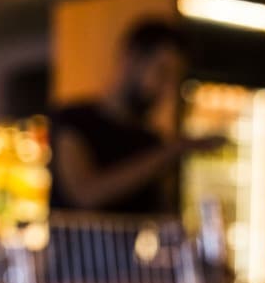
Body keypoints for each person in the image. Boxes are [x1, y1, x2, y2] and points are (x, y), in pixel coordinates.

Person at [50, 20, 222, 214]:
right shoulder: (73, 120)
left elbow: (160, 211)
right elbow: (84, 195)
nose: (167, 87)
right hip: (75, 236)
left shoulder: (151, 140)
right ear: (131, 58)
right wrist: (173, 150)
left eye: (174, 78)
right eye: (162, 71)